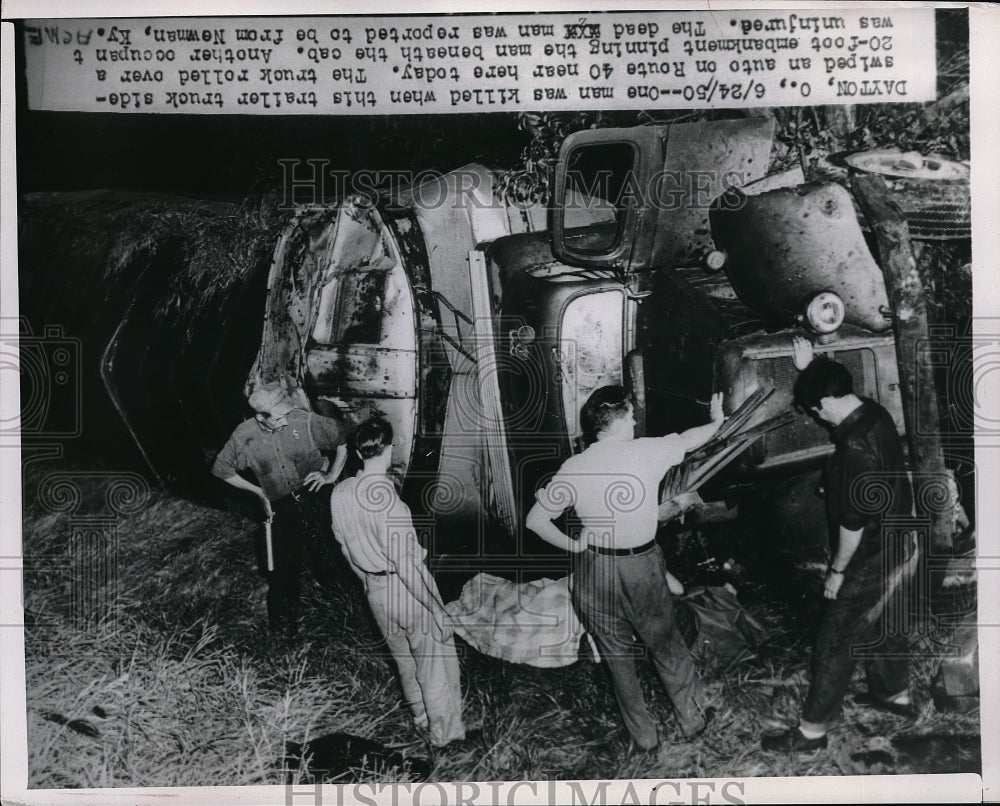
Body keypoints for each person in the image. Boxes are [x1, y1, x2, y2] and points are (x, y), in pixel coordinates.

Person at [526, 385, 724, 751]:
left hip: (593, 568)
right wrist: (718, 420)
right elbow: (691, 439)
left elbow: (536, 520)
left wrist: (574, 544)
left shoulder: (575, 466)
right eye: (631, 416)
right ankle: (692, 719)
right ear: (618, 423)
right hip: (641, 565)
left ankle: (645, 739)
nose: (635, 421)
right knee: (665, 643)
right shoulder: (646, 452)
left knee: (617, 657)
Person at [761, 336, 916, 753]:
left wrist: (837, 573)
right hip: (903, 541)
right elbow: (830, 386)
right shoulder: (874, 412)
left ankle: (811, 733)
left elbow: (852, 528)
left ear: (826, 403)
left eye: (816, 410)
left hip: (871, 554)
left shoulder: (851, 447)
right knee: (886, 622)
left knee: (833, 642)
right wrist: (811, 367)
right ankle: (894, 696)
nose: (820, 417)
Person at [328, 417, 466, 751]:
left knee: (404, 661)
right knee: (433, 663)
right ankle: (445, 738)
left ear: (360, 452)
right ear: (389, 449)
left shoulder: (341, 492)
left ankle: (419, 718)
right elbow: (406, 565)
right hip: (407, 591)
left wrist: (367, 582)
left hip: (375, 591)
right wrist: (436, 610)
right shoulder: (391, 505)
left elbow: (345, 546)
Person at [212, 382, 349, 639]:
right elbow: (222, 470)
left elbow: (342, 439)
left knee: (330, 550)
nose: (286, 420)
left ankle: (341, 608)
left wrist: (331, 475)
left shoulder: (304, 420)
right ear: (260, 416)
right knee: (283, 570)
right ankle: (283, 631)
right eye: (279, 417)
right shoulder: (244, 435)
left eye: (287, 413)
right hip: (281, 505)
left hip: (314, 495)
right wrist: (259, 492)